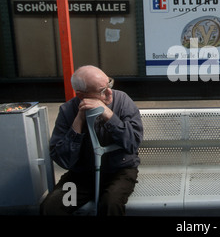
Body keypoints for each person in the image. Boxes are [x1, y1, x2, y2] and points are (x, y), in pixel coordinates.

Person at [40, 65, 143, 216]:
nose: (109, 92)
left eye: (109, 84)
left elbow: (133, 142)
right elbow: (63, 159)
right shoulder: (68, 110)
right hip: (81, 177)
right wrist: (78, 121)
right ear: (82, 95)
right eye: (102, 91)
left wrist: (109, 115)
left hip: (119, 171)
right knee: (51, 207)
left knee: (110, 204)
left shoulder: (122, 101)